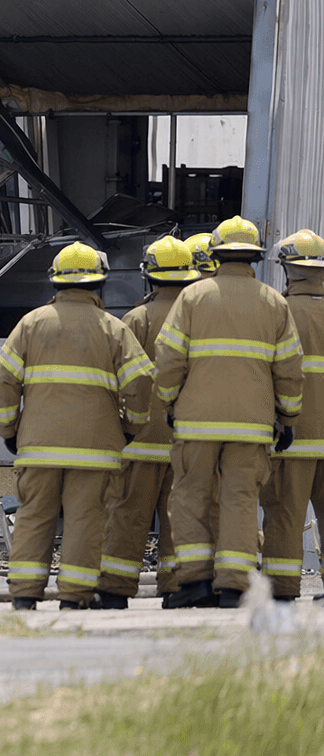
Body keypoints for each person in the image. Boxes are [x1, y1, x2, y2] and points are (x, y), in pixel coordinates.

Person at [0, 242, 153, 611]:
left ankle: (23, 597)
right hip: (96, 451)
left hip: (38, 446)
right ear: (100, 283)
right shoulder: (113, 328)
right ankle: (74, 598)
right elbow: (142, 381)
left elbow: (2, 377)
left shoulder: (31, 324)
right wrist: (131, 428)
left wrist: (10, 430)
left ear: (55, 281)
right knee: (85, 522)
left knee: (34, 517)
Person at [159, 216, 304, 609]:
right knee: (240, 500)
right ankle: (235, 586)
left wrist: (170, 402)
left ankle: (195, 584)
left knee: (190, 497)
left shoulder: (192, 297)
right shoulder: (274, 302)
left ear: (218, 254)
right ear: (255, 258)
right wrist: (287, 419)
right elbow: (289, 369)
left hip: (197, 423)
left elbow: (169, 358)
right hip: (253, 426)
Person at [96, 236, 200, 609]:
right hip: (186, 442)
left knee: (127, 516)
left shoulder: (136, 319)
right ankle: (175, 587)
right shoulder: (198, 317)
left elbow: (122, 379)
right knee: (179, 521)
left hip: (139, 443)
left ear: (148, 275)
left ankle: (114, 589)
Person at [259, 229, 324, 601]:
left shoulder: (279, 311)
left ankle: (283, 588)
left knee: (285, 514)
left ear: (287, 268)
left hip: (294, 438)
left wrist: (284, 419)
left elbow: (277, 373)